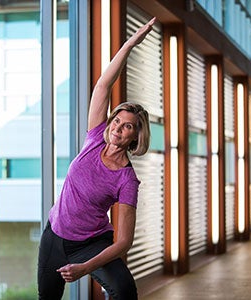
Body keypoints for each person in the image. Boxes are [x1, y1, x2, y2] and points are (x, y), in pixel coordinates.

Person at [37, 17, 156, 300]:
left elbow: (124, 242)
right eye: (117, 120)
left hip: (91, 243)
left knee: (125, 291)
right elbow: (103, 86)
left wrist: (85, 268)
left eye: (127, 126)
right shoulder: (94, 137)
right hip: (54, 236)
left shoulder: (126, 180)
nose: (118, 127)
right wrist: (129, 44)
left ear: (135, 137)